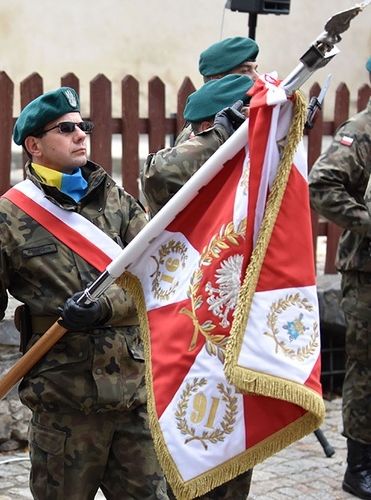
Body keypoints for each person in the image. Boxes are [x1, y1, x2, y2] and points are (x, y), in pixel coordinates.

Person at [0, 87, 168, 499]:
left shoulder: (118, 201)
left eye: (83, 126)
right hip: (64, 403)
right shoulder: (6, 217)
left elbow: (155, 276)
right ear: (34, 145)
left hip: (133, 395)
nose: (80, 136)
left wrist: (103, 308)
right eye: (66, 128)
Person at [142, 74, 254, 499]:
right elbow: (158, 175)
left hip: (233, 326)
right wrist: (223, 137)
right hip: (190, 329)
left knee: (234, 449)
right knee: (193, 452)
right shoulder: (187, 160)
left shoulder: (244, 165)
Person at [307, 56, 371, 500]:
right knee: (368, 371)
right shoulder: (364, 130)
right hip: (368, 275)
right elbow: (322, 185)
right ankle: (361, 466)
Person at [143, 74, 254, 217]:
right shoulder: (196, 158)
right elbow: (157, 174)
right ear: (208, 127)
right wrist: (218, 136)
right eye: (242, 115)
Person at [174, 37, 260, 147]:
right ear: (216, 79)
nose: (257, 78)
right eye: (245, 71)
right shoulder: (200, 127)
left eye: (256, 69)